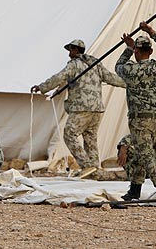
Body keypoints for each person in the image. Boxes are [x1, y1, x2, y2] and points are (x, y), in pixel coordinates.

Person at [31, 39, 126, 177]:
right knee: (90, 138)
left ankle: (86, 166)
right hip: (97, 108)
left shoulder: (74, 64)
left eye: (70, 49)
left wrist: (42, 87)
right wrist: (129, 84)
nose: (69, 53)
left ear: (76, 50)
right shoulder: (95, 64)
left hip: (82, 108)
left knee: (69, 134)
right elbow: (110, 78)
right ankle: (95, 170)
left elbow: (60, 77)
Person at [115, 22, 156, 206]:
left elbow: (118, 66)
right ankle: (135, 190)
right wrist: (151, 31)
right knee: (143, 152)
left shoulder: (130, 70)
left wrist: (128, 48)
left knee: (146, 155)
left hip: (139, 120)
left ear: (137, 52)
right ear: (150, 51)